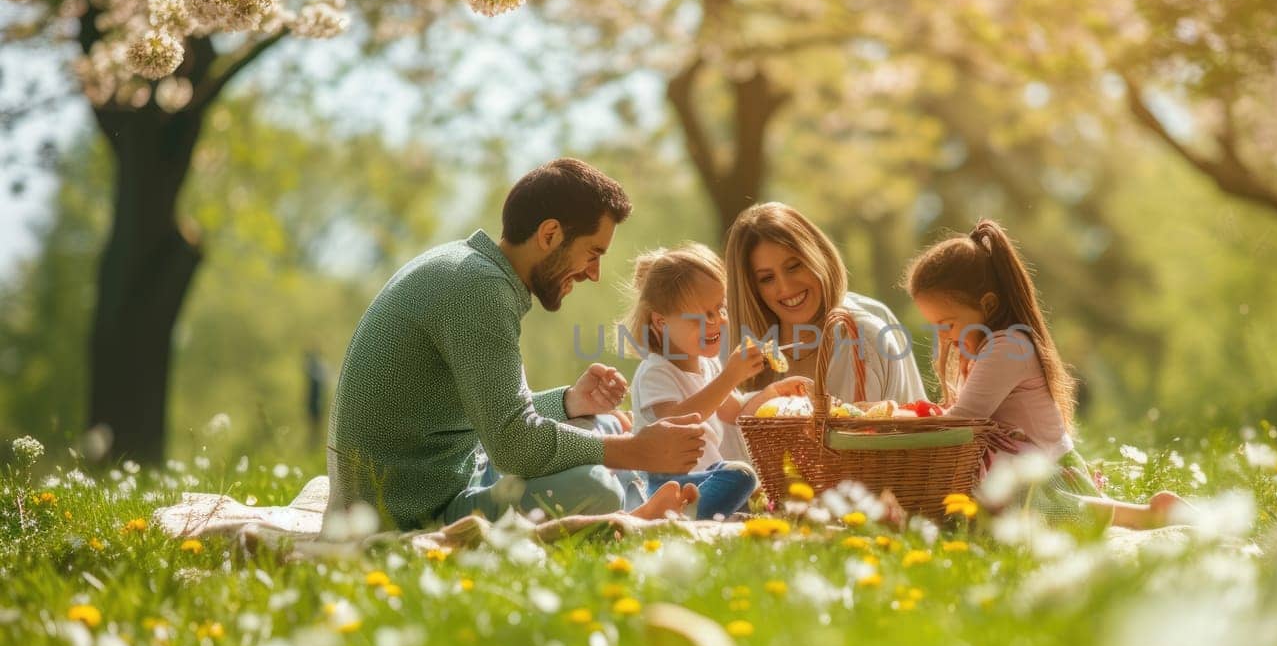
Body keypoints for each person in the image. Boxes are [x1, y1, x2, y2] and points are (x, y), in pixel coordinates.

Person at [323, 158, 706, 532]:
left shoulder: (467, 267)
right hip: (411, 510)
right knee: (596, 486)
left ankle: (635, 504)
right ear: (550, 234)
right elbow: (512, 444)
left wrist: (571, 402)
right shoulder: (479, 290)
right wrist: (637, 449)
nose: (594, 273)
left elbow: (493, 417)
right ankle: (632, 515)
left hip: (453, 471)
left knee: (597, 423)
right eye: (593, 253)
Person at [904, 219, 1182, 529]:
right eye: (935, 327)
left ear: (989, 304)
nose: (942, 337)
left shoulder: (1007, 347)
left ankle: (1147, 516)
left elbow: (963, 420)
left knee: (1013, 512)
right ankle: (1142, 514)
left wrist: (907, 424)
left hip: (1046, 478)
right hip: (1024, 472)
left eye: (948, 324)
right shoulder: (981, 349)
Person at [624, 243, 812, 518]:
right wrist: (730, 376)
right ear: (661, 323)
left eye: (719, 309)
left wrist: (773, 392)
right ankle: (671, 515)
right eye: (701, 316)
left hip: (708, 478)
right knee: (741, 476)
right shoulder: (656, 371)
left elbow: (736, 411)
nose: (716, 321)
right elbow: (675, 423)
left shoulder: (709, 366)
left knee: (754, 484)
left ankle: (706, 515)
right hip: (667, 483)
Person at [723, 202, 927, 405]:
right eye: (767, 278)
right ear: (752, 290)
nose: (785, 288)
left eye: (794, 267)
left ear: (817, 256)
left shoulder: (869, 338)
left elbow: (909, 425)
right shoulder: (734, 352)